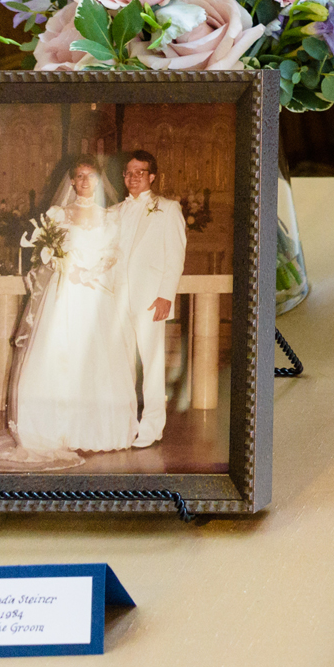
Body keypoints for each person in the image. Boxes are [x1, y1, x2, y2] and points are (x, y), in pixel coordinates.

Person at [5, 159, 138, 455]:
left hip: (97, 293)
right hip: (65, 292)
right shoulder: (57, 214)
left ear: (99, 180)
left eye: (91, 176)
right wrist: (68, 268)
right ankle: (51, 429)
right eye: (80, 176)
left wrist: (97, 268)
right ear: (73, 182)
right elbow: (46, 253)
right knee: (58, 354)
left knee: (98, 357)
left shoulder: (109, 216)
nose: (85, 181)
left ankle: (97, 429)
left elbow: (115, 250)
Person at [115, 150, 188, 447]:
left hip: (149, 300)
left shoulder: (168, 209)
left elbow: (176, 256)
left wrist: (165, 296)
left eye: (140, 172)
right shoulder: (116, 210)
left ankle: (152, 427)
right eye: (129, 173)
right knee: (122, 366)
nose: (133, 178)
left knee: (153, 365)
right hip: (118, 300)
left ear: (152, 176)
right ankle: (126, 424)